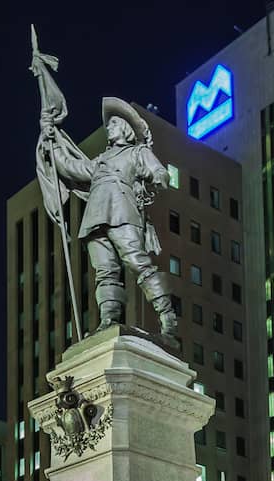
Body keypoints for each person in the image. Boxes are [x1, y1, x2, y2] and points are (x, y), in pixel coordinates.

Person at [40, 99, 180, 342]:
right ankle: (108, 319)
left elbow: (157, 170)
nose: (110, 128)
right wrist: (51, 141)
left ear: (126, 128)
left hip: (123, 210)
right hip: (95, 216)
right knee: (104, 272)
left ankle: (168, 318)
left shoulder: (137, 152)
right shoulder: (100, 161)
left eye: (114, 123)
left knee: (139, 263)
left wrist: (160, 177)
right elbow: (72, 168)